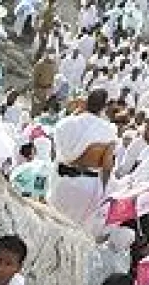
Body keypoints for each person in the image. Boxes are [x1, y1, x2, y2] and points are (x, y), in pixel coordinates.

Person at [46, 89, 117, 236]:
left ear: (86, 102)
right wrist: (103, 189)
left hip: (61, 180)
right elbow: (107, 165)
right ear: (103, 108)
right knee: (75, 231)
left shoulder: (65, 124)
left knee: (52, 223)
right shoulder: (107, 131)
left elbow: (55, 152)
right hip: (87, 186)